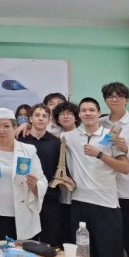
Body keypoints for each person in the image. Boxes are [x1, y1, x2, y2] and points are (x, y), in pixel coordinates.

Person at [62, 97, 129, 257]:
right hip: (79, 204)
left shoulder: (111, 136)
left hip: (106, 204)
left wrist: (99, 154)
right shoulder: (69, 136)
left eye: (92, 110)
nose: (88, 113)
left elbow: (125, 168)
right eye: (84, 110)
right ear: (79, 115)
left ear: (99, 113)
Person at [0, 108, 47, 241]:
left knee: (20, 252)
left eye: (6, 126)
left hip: (22, 215)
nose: (1, 130)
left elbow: (42, 180)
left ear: (15, 127)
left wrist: (35, 185)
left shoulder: (28, 150)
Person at [100, 82, 129, 257]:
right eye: (110, 96)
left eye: (119, 96)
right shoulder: (100, 122)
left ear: (127, 99)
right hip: (105, 193)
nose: (114, 99)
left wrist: (127, 149)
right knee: (109, 244)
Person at [17, 104, 65, 248]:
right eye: (37, 115)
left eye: (44, 116)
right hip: (24, 196)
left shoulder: (56, 142)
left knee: (50, 242)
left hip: (49, 197)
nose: (41, 118)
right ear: (30, 119)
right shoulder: (20, 140)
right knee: (26, 241)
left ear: (49, 120)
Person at [51, 101, 79, 246]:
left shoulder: (83, 135)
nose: (66, 116)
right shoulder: (55, 136)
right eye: (62, 114)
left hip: (81, 193)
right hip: (61, 194)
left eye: (69, 113)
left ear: (76, 117)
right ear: (57, 119)